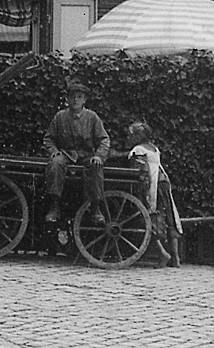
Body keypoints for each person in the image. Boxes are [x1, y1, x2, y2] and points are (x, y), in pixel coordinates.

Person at [42, 79, 110, 224]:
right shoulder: (60, 117)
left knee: (96, 167)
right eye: (72, 96)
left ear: (84, 99)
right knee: (54, 164)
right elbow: (49, 138)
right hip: (67, 154)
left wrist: (98, 156)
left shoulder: (92, 117)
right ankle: (54, 207)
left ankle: (96, 208)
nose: (75, 100)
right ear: (67, 99)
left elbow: (104, 139)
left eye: (79, 97)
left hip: (86, 155)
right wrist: (53, 150)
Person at [117, 121, 182, 267]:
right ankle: (176, 258)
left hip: (153, 184)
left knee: (150, 216)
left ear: (138, 136)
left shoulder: (139, 150)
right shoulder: (153, 148)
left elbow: (142, 173)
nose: (128, 137)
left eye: (130, 134)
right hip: (163, 182)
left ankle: (163, 254)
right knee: (169, 217)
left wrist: (143, 193)